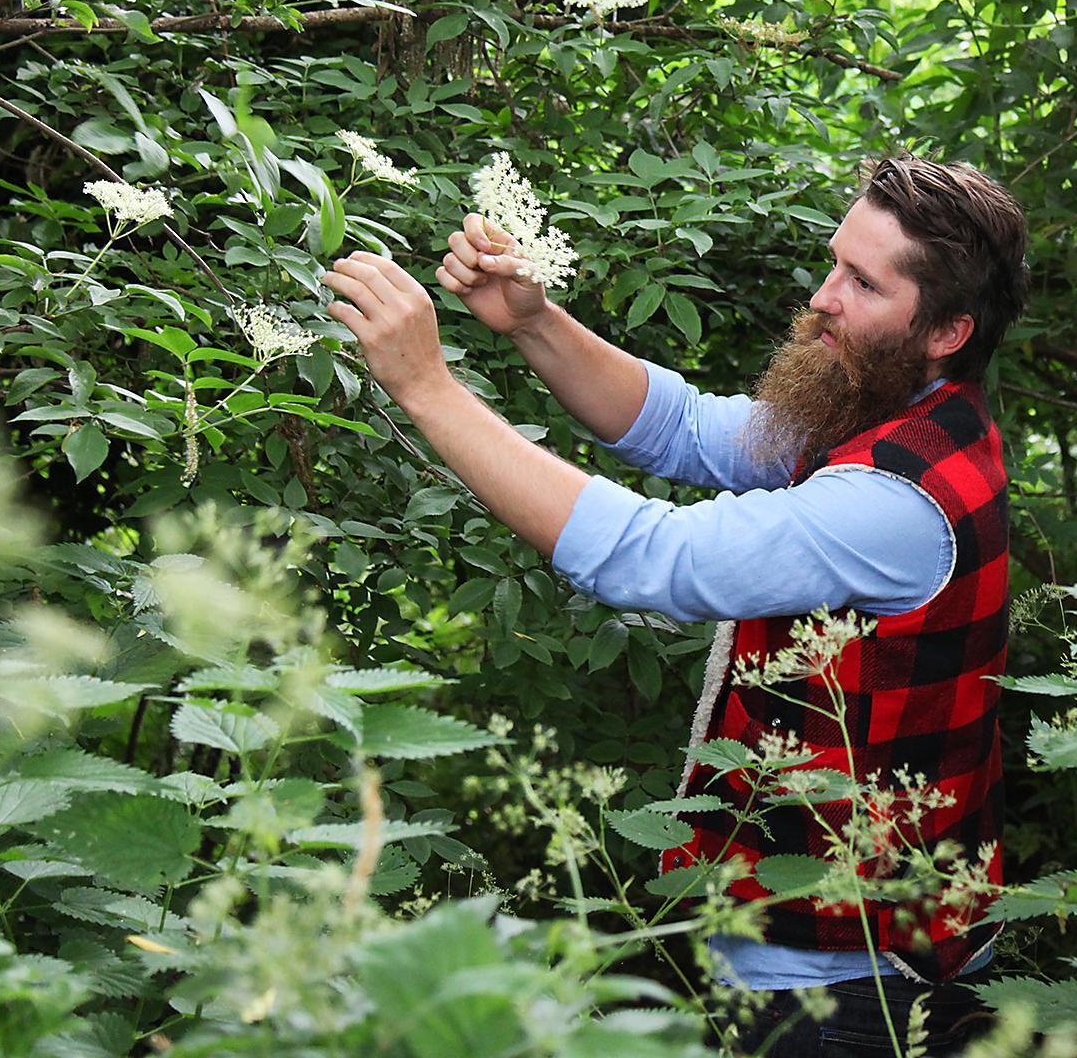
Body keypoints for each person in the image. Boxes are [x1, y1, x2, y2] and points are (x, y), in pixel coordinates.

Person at [321, 154, 1030, 1056]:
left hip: (852, 978)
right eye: (834, 262)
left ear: (947, 329)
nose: (822, 297)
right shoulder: (897, 406)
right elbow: (689, 427)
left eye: (861, 281)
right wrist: (534, 322)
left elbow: (650, 557)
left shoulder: (896, 503)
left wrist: (426, 386)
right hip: (846, 941)